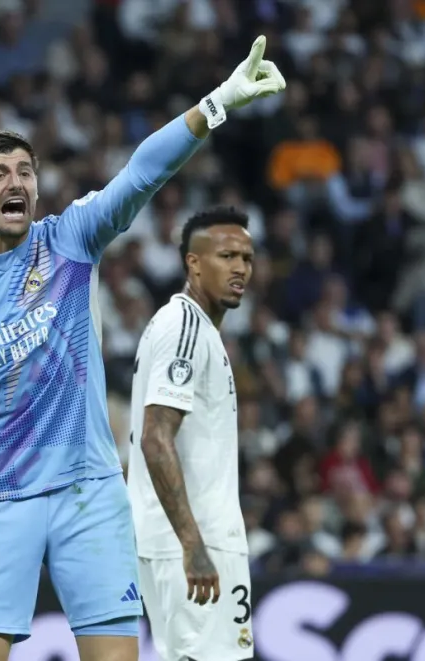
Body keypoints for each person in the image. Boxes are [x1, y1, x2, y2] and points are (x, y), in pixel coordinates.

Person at [0, 37, 285, 661]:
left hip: (88, 494)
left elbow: (142, 172)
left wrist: (218, 102)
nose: (16, 182)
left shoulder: (70, 241)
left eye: (26, 172)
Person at [127, 206, 256, 661]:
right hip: (193, 544)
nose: (240, 267)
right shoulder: (183, 328)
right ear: (193, 263)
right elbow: (155, 436)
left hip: (194, 540)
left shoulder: (197, 330)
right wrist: (193, 544)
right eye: (226, 256)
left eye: (246, 257)